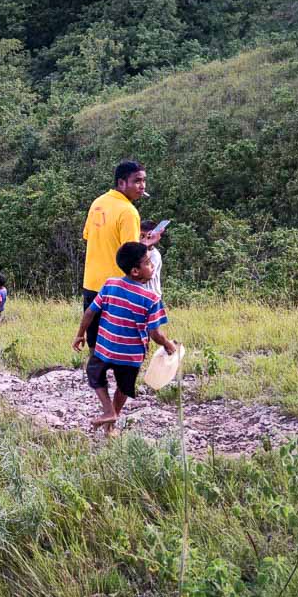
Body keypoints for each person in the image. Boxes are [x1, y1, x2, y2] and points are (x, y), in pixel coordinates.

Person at [73, 242, 177, 437]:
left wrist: (80, 334)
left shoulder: (110, 284)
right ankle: (112, 419)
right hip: (131, 356)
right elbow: (156, 334)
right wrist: (169, 345)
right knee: (124, 387)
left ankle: (108, 411)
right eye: (148, 263)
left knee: (94, 374)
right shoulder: (152, 298)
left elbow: (90, 312)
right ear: (136, 271)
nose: (152, 266)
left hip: (105, 348)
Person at [81, 161, 154, 349]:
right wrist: (148, 244)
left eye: (144, 181)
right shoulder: (129, 212)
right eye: (137, 181)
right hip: (116, 289)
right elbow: (132, 255)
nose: (142, 186)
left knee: (95, 345)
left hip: (91, 284)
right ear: (122, 183)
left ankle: (95, 378)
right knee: (121, 345)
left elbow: (88, 236)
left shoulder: (98, 203)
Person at [139, 221, 164, 298]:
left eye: (144, 236)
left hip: (151, 297)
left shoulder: (155, 255)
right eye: (140, 236)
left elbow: (144, 278)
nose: (141, 239)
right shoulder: (137, 251)